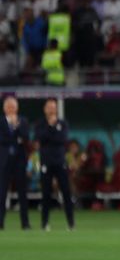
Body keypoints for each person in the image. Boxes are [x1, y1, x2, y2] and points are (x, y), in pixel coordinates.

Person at [33, 98, 74, 231]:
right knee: (46, 194)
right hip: (46, 163)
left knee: (66, 193)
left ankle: (71, 223)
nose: (51, 109)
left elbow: (62, 139)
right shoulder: (40, 124)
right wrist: (51, 127)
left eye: (53, 107)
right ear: (45, 109)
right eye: (49, 107)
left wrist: (51, 134)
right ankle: (44, 224)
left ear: (56, 109)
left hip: (60, 162)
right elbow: (40, 138)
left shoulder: (63, 123)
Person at [0, 96, 31, 230]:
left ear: (17, 108)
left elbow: (26, 137)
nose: (11, 109)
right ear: (4, 108)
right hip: (4, 161)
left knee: (22, 193)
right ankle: (0, 223)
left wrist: (15, 127)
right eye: (9, 107)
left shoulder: (23, 121)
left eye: (13, 107)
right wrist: (13, 137)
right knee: (1, 193)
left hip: (19, 161)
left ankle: (25, 223)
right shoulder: (1, 121)